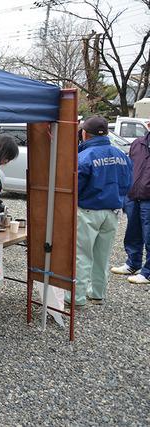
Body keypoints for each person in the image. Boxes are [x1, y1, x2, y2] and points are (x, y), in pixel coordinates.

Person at [71, 116, 132, 306]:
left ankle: (77, 297)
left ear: (84, 134)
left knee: (82, 255)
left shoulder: (84, 157)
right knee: (102, 255)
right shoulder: (121, 155)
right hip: (113, 212)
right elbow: (128, 183)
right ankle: (97, 293)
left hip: (88, 211)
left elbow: (76, 188)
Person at [111, 123, 150, 284]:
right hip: (134, 195)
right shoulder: (138, 143)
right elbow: (129, 166)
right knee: (132, 232)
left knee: (149, 235)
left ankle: (148, 272)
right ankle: (132, 263)